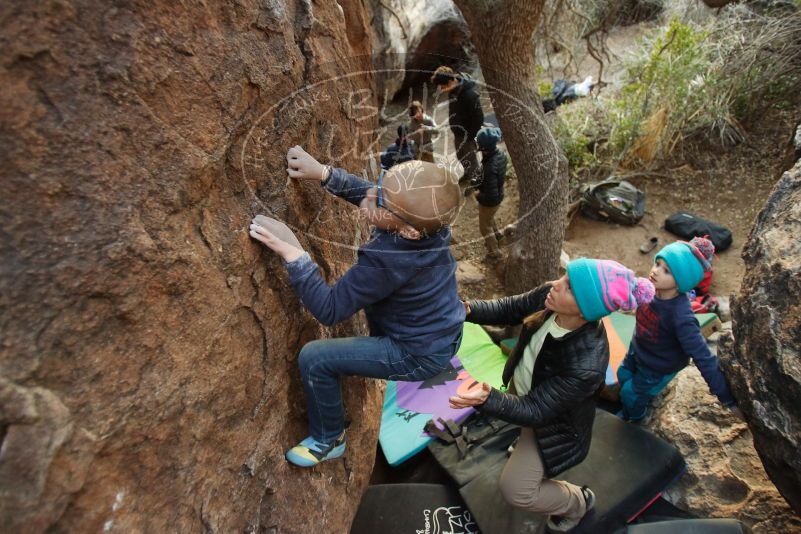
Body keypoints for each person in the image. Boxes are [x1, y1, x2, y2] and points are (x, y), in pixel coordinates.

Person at [249, 146, 465, 467]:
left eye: (381, 200)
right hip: (443, 332)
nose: (370, 195)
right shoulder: (428, 223)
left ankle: (329, 438)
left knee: (315, 359)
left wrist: (294, 254)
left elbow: (329, 309)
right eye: (379, 185)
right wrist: (324, 173)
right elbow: (381, 197)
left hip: (417, 354)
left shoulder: (388, 261)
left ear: (408, 230)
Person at [451, 259, 655, 532]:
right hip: (526, 394)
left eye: (569, 287)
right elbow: (510, 308)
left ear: (585, 311)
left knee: (516, 490)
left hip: (552, 427)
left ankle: (578, 502)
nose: (556, 285)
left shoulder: (586, 363)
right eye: (564, 277)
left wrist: (489, 398)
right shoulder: (551, 298)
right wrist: (467, 310)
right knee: (518, 420)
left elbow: (536, 410)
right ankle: (521, 440)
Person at [617, 237, 743, 422]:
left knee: (630, 394)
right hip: (637, 351)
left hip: (657, 367)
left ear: (681, 282)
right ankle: (633, 403)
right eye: (658, 263)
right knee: (623, 375)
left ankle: (634, 420)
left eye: (666, 271)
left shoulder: (681, 317)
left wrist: (728, 400)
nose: (655, 271)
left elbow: (702, 356)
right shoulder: (649, 289)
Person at [430, 65, 484, 184]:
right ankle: (468, 173)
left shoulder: (470, 95)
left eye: (443, 87)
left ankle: (477, 181)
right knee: (461, 156)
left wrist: (470, 136)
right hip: (458, 133)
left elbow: (479, 118)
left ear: (450, 81)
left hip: (468, 134)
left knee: (471, 158)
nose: (442, 90)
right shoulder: (453, 91)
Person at [472, 127, 507, 261]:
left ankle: (494, 253)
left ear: (485, 149)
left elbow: (490, 196)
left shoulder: (489, 167)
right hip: (498, 195)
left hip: (490, 201)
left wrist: (478, 195)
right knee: (489, 218)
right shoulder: (500, 154)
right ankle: (497, 235)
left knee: (484, 227)